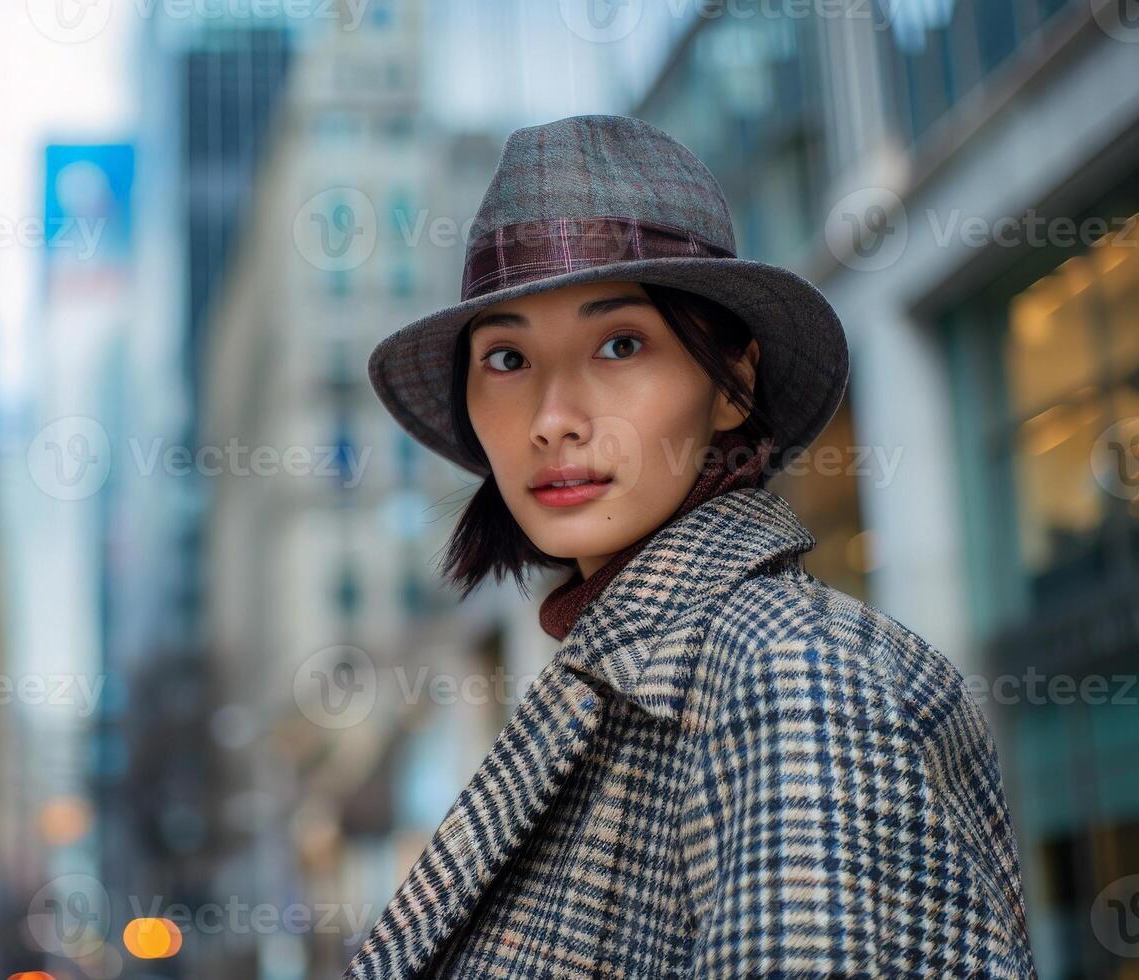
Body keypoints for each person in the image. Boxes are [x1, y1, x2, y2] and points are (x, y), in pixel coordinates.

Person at [344, 114, 1035, 979]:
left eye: (620, 343)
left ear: (732, 382)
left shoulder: (788, 674)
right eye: (508, 358)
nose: (553, 418)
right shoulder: (624, 683)